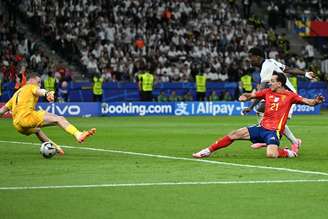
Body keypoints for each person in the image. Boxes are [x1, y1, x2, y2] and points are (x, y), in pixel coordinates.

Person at [193, 72, 324, 159]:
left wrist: (316, 101)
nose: (269, 83)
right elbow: (251, 95)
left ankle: (290, 153)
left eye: (272, 81)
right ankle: (207, 151)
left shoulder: (290, 96)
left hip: (274, 131)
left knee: (271, 154)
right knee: (234, 134)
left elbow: (308, 102)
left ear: (279, 83)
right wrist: (244, 97)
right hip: (261, 127)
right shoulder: (267, 92)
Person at [0, 73, 96, 155]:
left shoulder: (16, 94)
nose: (39, 84)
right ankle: (78, 134)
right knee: (59, 119)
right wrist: (47, 94)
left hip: (18, 125)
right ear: (32, 81)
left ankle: (55, 147)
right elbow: (39, 91)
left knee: (37, 130)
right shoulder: (31, 87)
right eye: (38, 82)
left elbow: (2, 110)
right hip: (27, 117)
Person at [243, 47, 316, 150]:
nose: (250, 60)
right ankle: (288, 141)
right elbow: (289, 69)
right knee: (264, 112)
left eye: (251, 57)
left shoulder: (266, 68)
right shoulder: (271, 61)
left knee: (273, 118)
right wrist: (305, 74)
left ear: (257, 57)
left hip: (287, 97)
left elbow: (261, 91)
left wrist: (250, 107)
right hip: (280, 95)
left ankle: (268, 139)